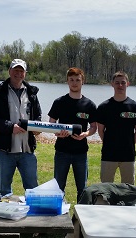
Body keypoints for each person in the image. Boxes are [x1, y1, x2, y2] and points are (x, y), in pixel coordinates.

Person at [0, 58, 42, 196]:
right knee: (4, 191)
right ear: (9, 71)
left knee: (32, 190)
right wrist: (11, 127)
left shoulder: (32, 93)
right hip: (4, 151)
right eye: (15, 70)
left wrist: (36, 128)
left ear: (25, 73)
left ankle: (35, 218)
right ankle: (6, 214)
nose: (18, 73)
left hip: (27, 151)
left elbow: (38, 117)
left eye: (21, 71)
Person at [48, 67, 97, 202]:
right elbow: (51, 123)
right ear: (67, 82)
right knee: (58, 188)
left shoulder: (89, 105)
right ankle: (57, 218)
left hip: (81, 154)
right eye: (71, 80)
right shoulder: (59, 102)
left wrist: (85, 134)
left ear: (83, 82)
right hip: (62, 152)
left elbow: (94, 127)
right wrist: (58, 133)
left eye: (77, 80)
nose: (74, 83)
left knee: (82, 189)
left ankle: (79, 218)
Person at [96, 71, 136, 184]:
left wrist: (129, 143)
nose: (120, 85)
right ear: (112, 84)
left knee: (128, 189)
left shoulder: (135, 107)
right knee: (106, 187)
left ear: (127, 84)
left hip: (128, 155)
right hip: (108, 154)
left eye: (123, 83)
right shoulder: (104, 107)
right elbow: (100, 130)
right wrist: (109, 143)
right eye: (117, 83)